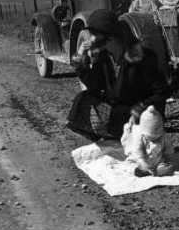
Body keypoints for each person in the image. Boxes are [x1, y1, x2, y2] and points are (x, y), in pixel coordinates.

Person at [67, 10, 169, 139]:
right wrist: (80, 58)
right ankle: (110, 139)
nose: (90, 39)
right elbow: (95, 86)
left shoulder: (142, 56)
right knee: (83, 98)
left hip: (139, 112)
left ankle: (127, 136)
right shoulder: (105, 57)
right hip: (119, 111)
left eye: (93, 34)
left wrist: (139, 110)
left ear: (109, 37)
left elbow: (161, 92)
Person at [120, 105, 175, 177]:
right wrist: (144, 164)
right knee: (133, 168)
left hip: (158, 161)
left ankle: (157, 171)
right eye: (150, 136)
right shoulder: (140, 137)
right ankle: (149, 171)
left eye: (157, 135)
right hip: (143, 161)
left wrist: (168, 160)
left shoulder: (164, 136)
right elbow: (137, 152)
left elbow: (169, 149)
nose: (154, 139)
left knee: (169, 168)